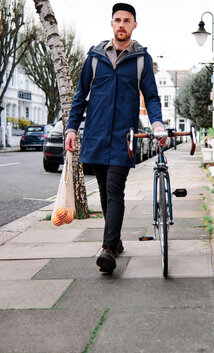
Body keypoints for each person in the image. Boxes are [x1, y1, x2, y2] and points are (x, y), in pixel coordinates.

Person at [64, 3, 165, 273]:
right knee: (106, 194)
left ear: (134, 25)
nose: (122, 24)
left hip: (124, 138)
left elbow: (152, 97)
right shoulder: (95, 58)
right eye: (117, 20)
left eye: (127, 20)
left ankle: (107, 249)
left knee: (114, 189)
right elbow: (80, 95)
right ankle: (116, 241)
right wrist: (71, 129)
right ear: (111, 24)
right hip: (96, 136)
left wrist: (156, 123)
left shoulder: (141, 59)